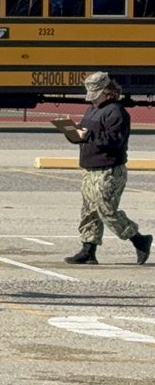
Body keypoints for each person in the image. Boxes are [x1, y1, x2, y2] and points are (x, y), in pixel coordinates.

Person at [63, 71, 153, 265]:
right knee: (89, 210)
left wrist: (88, 136)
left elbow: (114, 141)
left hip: (109, 169)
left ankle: (139, 239)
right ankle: (88, 250)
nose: (92, 99)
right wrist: (72, 132)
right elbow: (85, 135)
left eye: (96, 95)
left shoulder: (116, 112)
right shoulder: (92, 110)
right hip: (90, 168)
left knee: (107, 211)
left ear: (107, 91)